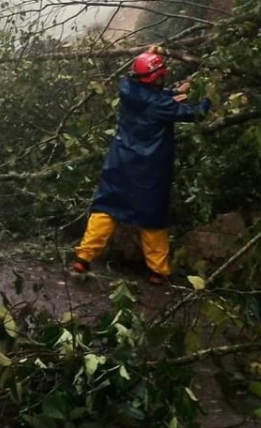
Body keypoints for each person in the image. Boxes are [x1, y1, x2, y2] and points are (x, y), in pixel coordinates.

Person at [72, 48, 212, 284]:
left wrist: (176, 90)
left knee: (106, 207)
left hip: (119, 162)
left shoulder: (127, 89)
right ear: (156, 79)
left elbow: (152, 94)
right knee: (153, 217)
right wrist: (209, 96)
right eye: (161, 76)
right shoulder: (159, 105)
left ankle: (83, 258)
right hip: (149, 170)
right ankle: (158, 272)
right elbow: (195, 113)